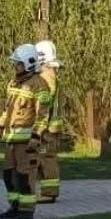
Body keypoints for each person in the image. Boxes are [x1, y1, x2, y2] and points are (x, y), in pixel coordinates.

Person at [0, 43, 51, 219]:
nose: (15, 67)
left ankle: (26, 211)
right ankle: (14, 207)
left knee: (24, 177)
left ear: (29, 63)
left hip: (26, 142)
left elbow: (43, 114)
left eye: (18, 63)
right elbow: (8, 109)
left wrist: (36, 135)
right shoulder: (13, 83)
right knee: (8, 176)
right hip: (11, 139)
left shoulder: (40, 85)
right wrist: (0, 124)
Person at [34, 39, 62, 204]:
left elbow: (43, 103)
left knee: (46, 159)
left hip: (47, 128)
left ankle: (49, 192)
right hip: (50, 126)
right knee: (43, 158)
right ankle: (46, 191)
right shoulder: (49, 75)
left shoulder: (46, 77)